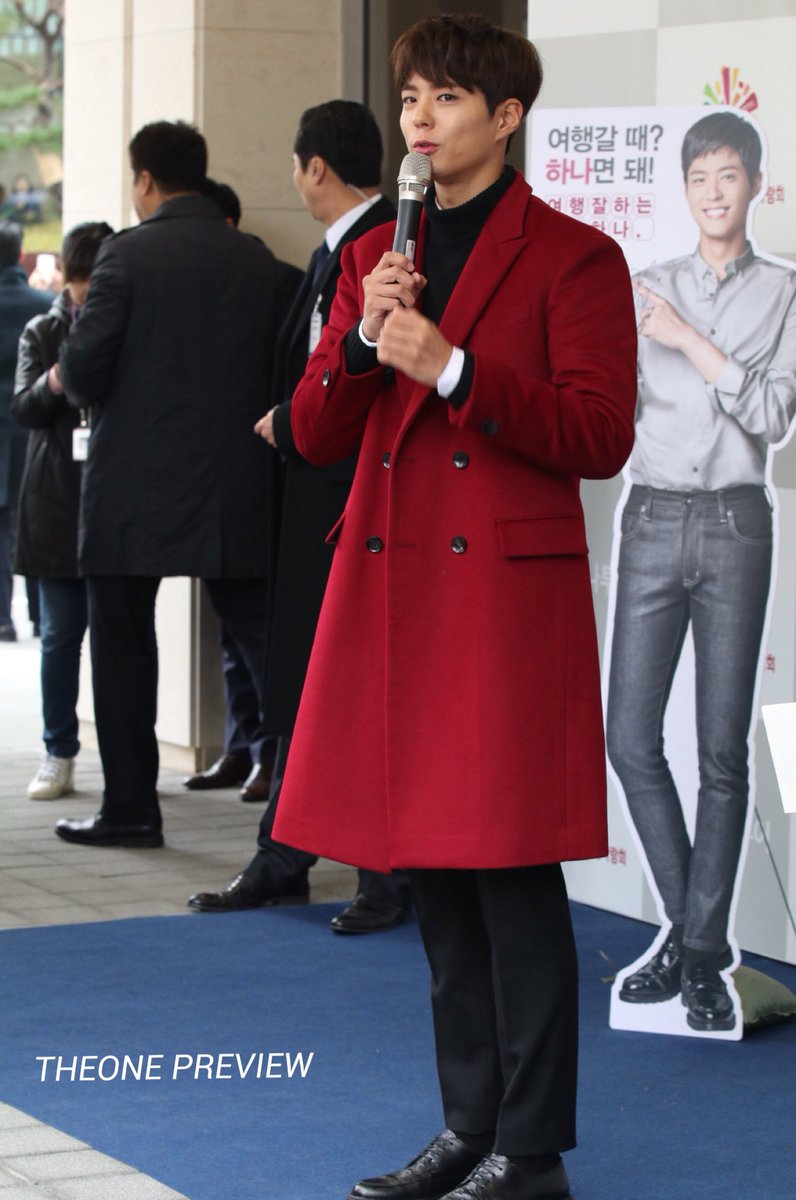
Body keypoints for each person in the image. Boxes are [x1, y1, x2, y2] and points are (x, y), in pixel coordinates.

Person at [272, 14, 637, 1200]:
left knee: (510, 880)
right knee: (432, 875)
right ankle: (465, 1129)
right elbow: (315, 431)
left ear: (507, 116)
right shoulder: (381, 249)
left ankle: (529, 1153)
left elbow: (599, 432)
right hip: (397, 589)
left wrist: (457, 369)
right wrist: (362, 342)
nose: (419, 120)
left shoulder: (575, 255)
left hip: (498, 604)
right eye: (410, 98)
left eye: (444, 98)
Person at [188, 100, 412, 934]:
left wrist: (295, 419)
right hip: (319, 495)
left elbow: (369, 376)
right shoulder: (338, 250)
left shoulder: (385, 245)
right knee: (316, 686)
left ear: (315, 167)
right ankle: (286, 856)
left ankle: (380, 875)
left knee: (355, 687)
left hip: (357, 499)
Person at [606, 111, 796, 1033]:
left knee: (722, 752)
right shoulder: (643, 287)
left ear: (754, 184)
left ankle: (697, 950)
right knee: (629, 737)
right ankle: (696, 941)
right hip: (649, 518)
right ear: (683, 190)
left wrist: (689, 341)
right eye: (699, 178)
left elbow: (774, 416)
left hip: (734, 524)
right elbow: (612, 404)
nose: (714, 192)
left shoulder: (786, 293)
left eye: (728, 175)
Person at [54, 120, 283, 849]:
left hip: (133, 488)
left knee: (123, 646)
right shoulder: (259, 262)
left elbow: (82, 373)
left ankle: (131, 811)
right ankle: (302, 814)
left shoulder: (124, 256)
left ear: (145, 179)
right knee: (268, 648)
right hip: (235, 484)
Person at [181, 178, 302, 803]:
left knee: (255, 624)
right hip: (215, 477)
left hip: (264, 474)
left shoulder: (280, 282)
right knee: (230, 625)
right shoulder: (209, 289)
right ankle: (242, 744)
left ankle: (271, 753)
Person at [12, 221, 113, 800]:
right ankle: (58, 750)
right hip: (54, 501)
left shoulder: (124, 328)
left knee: (120, 638)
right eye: (80, 278)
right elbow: (23, 408)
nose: (86, 289)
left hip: (112, 501)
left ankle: (126, 757)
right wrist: (57, 378)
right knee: (58, 637)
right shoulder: (43, 330)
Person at [0, 220, 51, 642]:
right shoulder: (45, 306)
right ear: (21, 255)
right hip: (34, 429)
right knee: (34, 518)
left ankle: (3, 617)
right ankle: (39, 613)